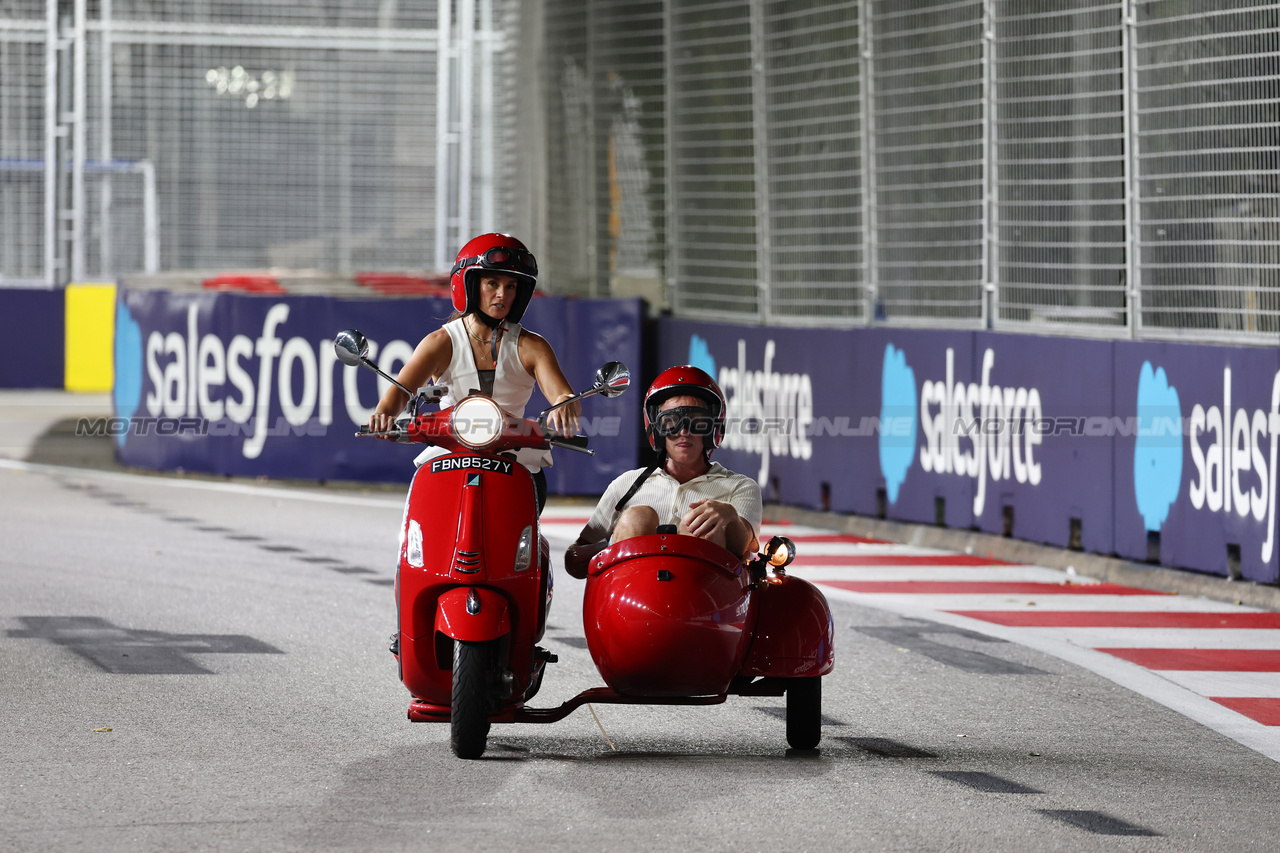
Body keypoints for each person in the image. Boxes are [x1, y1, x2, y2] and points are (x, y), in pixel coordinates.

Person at [367, 232, 580, 513]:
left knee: (523, 547)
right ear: (469, 284)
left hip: (514, 462)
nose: (502, 294)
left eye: (511, 286)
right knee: (419, 539)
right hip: (449, 457)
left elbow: (561, 393)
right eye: (492, 283)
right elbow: (400, 392)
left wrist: (565, 404)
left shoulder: (531, 346)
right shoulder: (440, 343)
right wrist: (384, 414)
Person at [564, 365, 762, 578]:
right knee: (638, 517)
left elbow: (744, 549)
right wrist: (611, 547)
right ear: (656, 429)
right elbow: (575, 561)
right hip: (632, 599)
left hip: (704, 602)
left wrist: (729, 517)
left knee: (699, 524)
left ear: (713, 427)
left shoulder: (741, 487)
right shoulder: (627, 485)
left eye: (696, 421)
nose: (683, 431)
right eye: (671, 422)